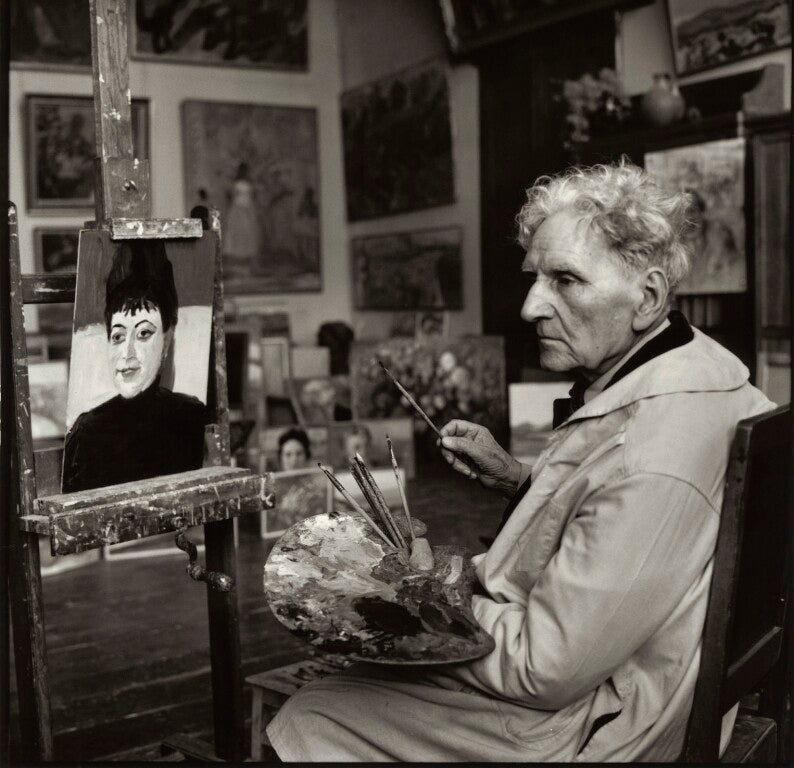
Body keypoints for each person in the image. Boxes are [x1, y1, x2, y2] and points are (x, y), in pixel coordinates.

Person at [266, 161, 774, 761]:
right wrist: (519, 479)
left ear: (648, 297)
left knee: (312, 713)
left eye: (567, 280)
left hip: (601, 726)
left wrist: (430, 596)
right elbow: (623, 522)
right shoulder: (700, 368)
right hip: (631, 673)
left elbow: (543, 668)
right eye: (536, 277)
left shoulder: (650, 453)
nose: (532, 306)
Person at [62, 243, 208, 492]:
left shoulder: (192, 417)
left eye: (143, 333)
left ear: (166, 340)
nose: (127, 353)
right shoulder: (87, 433)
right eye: (118, 336)